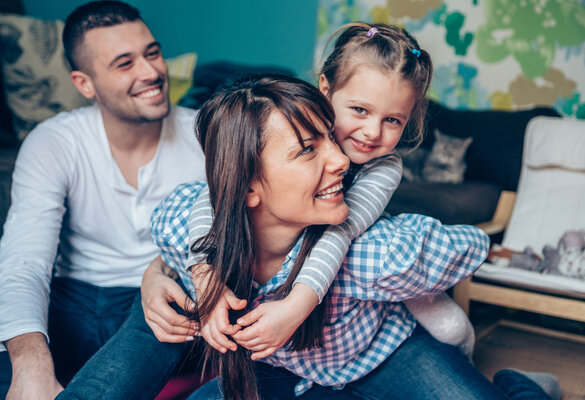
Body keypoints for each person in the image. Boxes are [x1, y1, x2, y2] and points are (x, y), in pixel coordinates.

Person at [151, 74, 557, 400]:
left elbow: (472, 245)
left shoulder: (375, 252)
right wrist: (168, 277)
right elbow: (191, 209)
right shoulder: (191, 223)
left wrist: (414, 254)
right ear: (247, 187)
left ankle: (522, 385)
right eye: (308, 149)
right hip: (292, 373)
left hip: (390, 354)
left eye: (331, 136)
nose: (344, 160)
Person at [150, 22, 475, 360]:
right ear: (325, 88)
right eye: (360, 110)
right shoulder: (298, 127)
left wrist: (297, 304)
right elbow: (217, 195)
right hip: (301, 252)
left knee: (449, 328)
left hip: (360, 234)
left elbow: (341, 231)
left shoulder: (384, 166)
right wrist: (203, 276)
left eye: (393, 120)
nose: (372, 133)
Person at [0, 1, 204, 399]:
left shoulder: (205, 135)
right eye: (124, 63)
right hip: (69, 301)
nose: (151, 72)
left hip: (159, 308)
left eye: (152, 53)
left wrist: (157, 276)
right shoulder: (54, 142)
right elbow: (24, 262)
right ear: (84, 84)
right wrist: (30, 364)